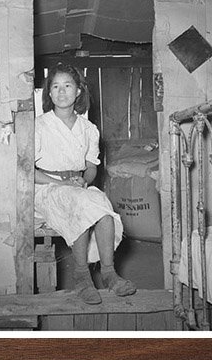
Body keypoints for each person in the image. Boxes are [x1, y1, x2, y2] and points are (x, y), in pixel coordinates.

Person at [34, 63, 136, 305]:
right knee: (82, 201)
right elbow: (29, 172)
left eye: (67, 86)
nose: (61, 92)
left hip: (76, 186)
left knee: (101, 203)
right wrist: (61, 184)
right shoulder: (39, 126)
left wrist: (84, 180)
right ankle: (81, 275)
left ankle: (109, 273)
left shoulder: (88, 129)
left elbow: (91, 167)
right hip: (45, 189)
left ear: (78, 91)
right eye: (55, 87)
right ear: (49, 93)